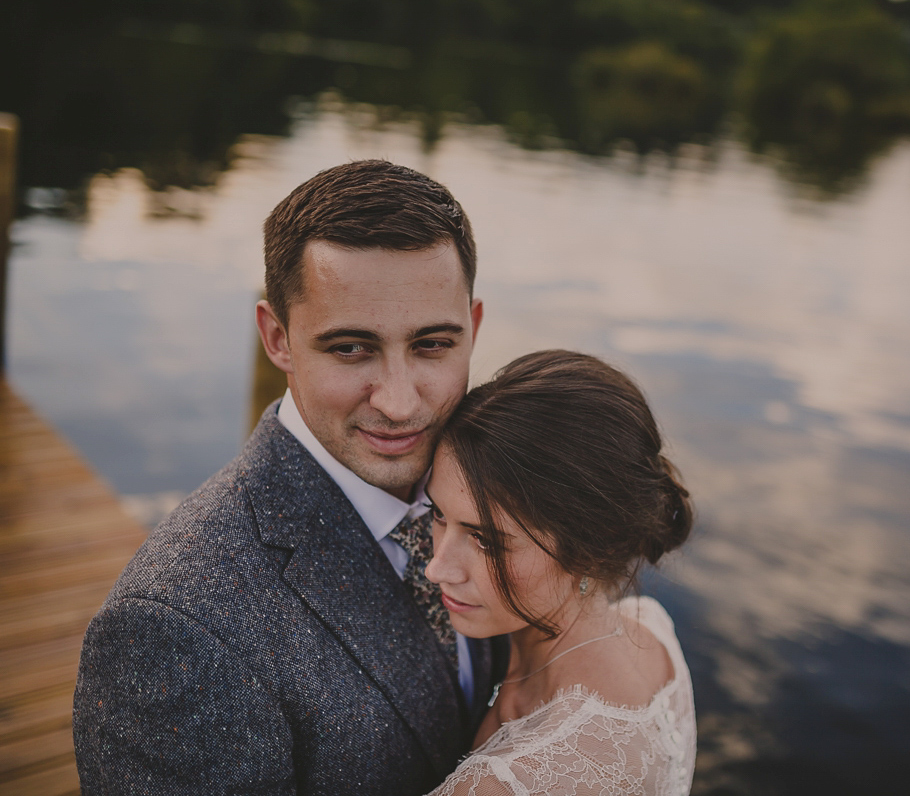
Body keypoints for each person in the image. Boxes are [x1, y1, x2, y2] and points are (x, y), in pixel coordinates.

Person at [73, 160, 507, 795]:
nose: (399, 402)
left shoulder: (501, 493)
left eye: (433, 345)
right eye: (351, 348)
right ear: (278, 338)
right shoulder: (173, 628)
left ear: (473, 327)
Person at [419, 349, 697, 796]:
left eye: (486, 539)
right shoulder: (653, 631)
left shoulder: (507, 785)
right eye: (437, 513)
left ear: (589, 547)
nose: (437, 568)